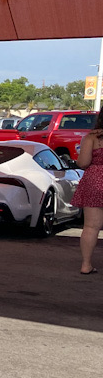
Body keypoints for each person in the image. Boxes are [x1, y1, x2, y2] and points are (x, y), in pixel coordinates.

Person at [73, 111, 103, 274]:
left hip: (95, 180)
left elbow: (83, 162)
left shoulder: (92, 137)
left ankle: (86, 265)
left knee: (91, 226)